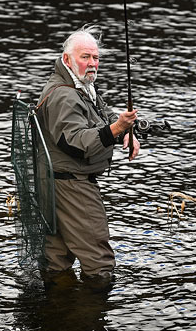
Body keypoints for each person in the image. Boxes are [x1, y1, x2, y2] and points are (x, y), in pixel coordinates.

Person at [36, 24, 140, 290]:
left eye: (96, 58)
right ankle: (90, 321)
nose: (92, 63)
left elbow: (97, 122)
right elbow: (76, 142)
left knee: (57, 261)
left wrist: (123, 134)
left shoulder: (79, 86)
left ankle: (57, 318)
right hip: (72, 186)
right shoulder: (64, 95)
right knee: (100, 264)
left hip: (54, 182)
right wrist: (117, 128)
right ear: (67, 59)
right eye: (85, 57)